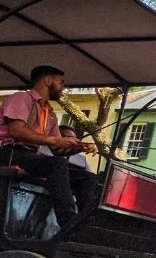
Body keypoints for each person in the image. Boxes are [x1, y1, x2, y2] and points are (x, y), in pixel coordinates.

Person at [0, 65, 98, 230]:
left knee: (88, 178)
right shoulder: (22, 98)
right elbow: (16, 130)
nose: (63, 87)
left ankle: (86, 224)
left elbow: (58, 149)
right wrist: (54, 141)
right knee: (56, 164)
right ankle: (68, 222)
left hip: (30, 159)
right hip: (7, 153)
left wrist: (78, 147)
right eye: (61, 82)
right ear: (47, 80)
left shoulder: (50, 114)